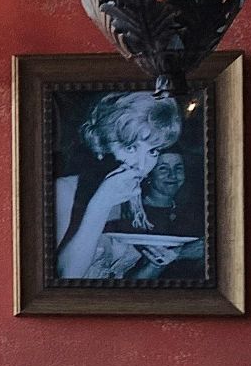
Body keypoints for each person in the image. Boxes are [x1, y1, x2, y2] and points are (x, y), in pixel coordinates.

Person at [53, 91, 183, 279]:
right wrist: (100, 204)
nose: (142, 165)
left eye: (153, 151)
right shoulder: (64, 191)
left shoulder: (132, 200)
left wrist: (155, 265)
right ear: (101, 145)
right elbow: (66, 277)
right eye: (131, 148)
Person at [105, 152, 206, 279]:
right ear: (149, 174)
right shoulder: (131, 214)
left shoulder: (192, 213)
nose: (172, 174)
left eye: (178, 168)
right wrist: (180, 253)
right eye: (163, 168)